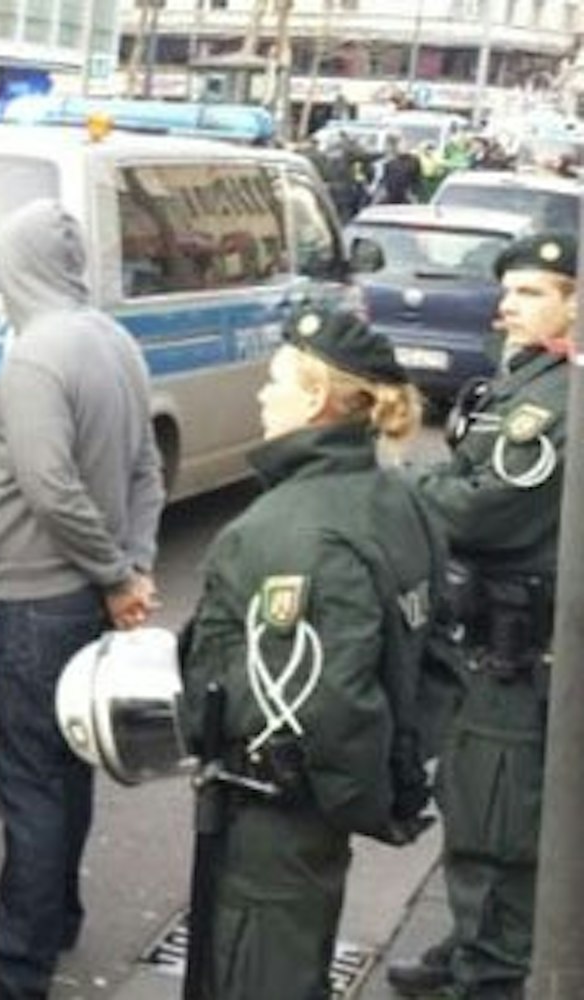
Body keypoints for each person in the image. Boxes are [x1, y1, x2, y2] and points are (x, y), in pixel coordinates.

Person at [178, 306, 441, 1000]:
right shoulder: (396, 498)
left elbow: (322, 704)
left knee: (261, 973)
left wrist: (346, 800)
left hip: (276, 816)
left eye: (277, 381)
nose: (263, 395)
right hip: (310, 815)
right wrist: (389, 789)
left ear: (319, 396)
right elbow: (434, 662)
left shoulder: (288, 530)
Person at [0, 199, 166, 1000]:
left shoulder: (36, 356)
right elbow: (146, 470)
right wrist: (131, 567)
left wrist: (117, 575)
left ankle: (18, 968)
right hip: (87, 598)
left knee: (28, 780)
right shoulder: (115, 341)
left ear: (20, 267)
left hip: (37, 596)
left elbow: (47, 485)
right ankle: (53, 910)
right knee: (69, 771)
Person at [387, 233, 573, 1000]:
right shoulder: (525, 377)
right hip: (488, 636)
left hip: (516, 650)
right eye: (509, 291)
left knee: (498, 815)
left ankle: (490, 968)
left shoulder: (557, 398)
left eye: (531, 292)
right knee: (473, 800)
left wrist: (409, 487)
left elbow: (481, 509)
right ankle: (473, 939)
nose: (507, 305)